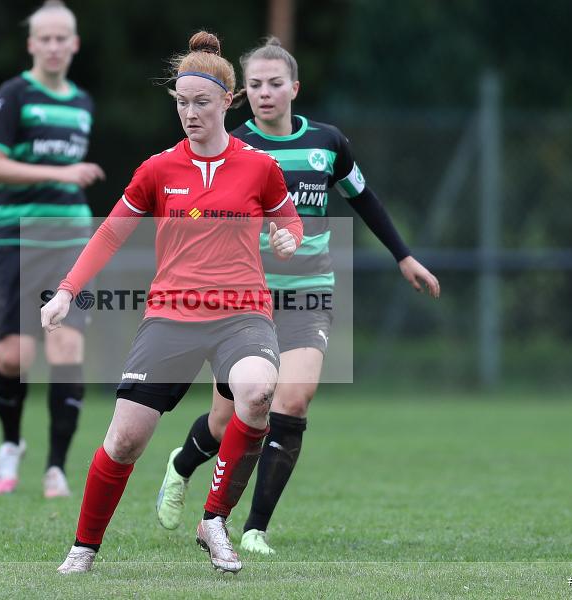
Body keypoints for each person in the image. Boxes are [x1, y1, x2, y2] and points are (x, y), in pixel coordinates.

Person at [155, 37, 441, 554]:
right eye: (256, 85)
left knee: (294, 398)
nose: (266, 93)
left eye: (275, 83)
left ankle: (255, 528)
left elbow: (365, 199)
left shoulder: (328, 143)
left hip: (309, 292)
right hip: (245, 299)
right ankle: (181, 464)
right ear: (244, 93)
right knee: (227, 421)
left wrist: (403, 255)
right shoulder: (232, 146)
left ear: (294, 88)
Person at [41, 31, 304, 574]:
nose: (189, 113)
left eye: (200, 102)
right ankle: (83, 548)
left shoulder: (259, 167)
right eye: (181, 103)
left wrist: (287, 238)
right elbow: (111, 234)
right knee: (126, 439)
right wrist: (67, 289)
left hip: (242, 315)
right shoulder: (158, 169)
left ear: (227, 103)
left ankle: (214, 521)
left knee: (256, 394)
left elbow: (290, 222)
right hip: (172, 315)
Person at [0, 1, 105, 498]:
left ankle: (56, 467)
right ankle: (11, 443)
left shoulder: (82, 103)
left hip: (71, 238)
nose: (55, 46)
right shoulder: (13, 95)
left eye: (63, 38)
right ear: (31, 44)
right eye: (46, 38)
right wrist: (54, 178)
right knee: (14, 357)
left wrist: (54, 188)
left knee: (66, 346)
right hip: (13, 239)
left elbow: (42, 182)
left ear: (75, 44)